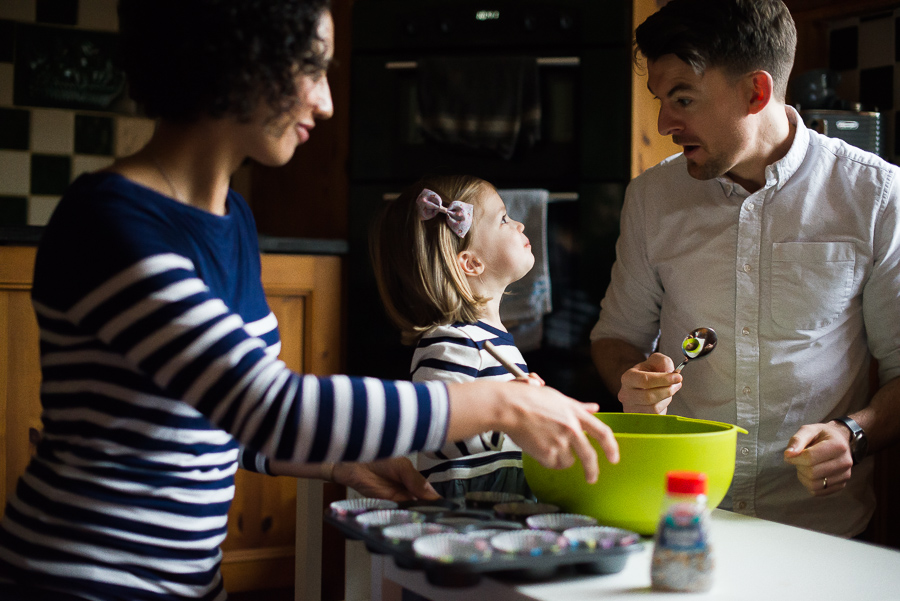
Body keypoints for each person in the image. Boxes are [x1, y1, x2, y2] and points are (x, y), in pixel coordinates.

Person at [0, 1, 619, 600]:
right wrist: (497, 402)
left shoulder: (231, 218)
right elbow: (265, 405)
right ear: (242, 60)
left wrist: (338, 468)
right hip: (81, 581)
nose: (325, 102)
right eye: (311, 67)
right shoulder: (112, 223)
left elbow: (209, 416)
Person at [590, 0, 900, 538]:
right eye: (660, 101)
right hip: (680, 518)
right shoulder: (651, 198)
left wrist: (854, 433)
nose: (665, 123)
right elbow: (617, 336)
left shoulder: (874, 195)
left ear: (756, 92)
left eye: (682, 98)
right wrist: (630, 380)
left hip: (821, 532)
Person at [371, 176, 547, 502]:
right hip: (464, 510)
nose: (520, 224)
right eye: (505, 219)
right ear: (471, 263)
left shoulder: (494, 339)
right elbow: (436, 429)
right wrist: (508, 413)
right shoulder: (452, 342)